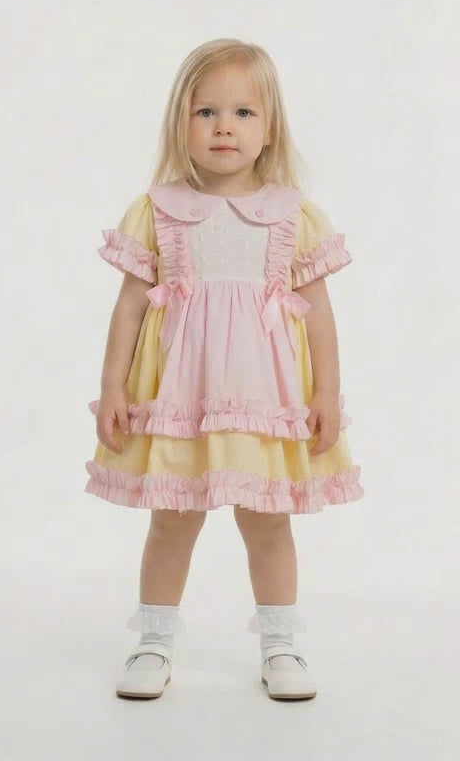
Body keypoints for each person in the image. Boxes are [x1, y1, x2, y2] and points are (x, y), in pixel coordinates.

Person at [85, 37, 364, 700]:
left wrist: (326, 391)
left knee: (267, 521)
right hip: (182, 395)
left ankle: (281, 646)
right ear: (181, 121)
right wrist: (112, 387)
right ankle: (153, 642)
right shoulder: (157, 210)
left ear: (269, 129)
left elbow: (317, 313)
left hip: (262, 399)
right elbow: (129, 308)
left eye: (242, 113)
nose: (223, 129)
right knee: (173, 517)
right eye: (206, 112)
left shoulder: (293, 217)